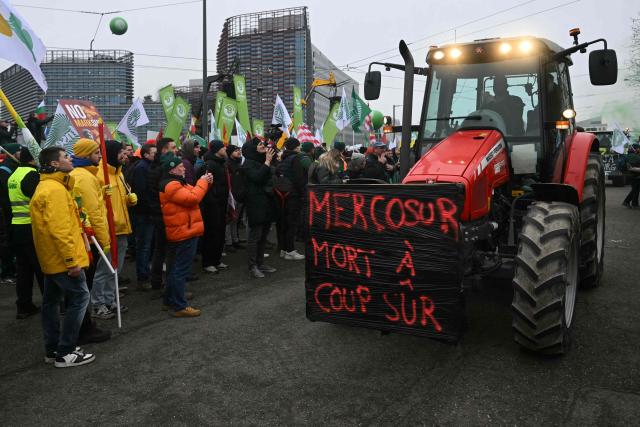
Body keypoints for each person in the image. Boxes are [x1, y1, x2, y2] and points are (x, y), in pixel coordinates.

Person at [31, 147, 95, 368]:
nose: (70, 158)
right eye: (65, 157)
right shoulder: (54, 190)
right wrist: (71, 261)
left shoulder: (51, 186)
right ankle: (66, 351)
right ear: (55, 164)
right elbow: (60, 230)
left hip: (52, 259)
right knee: (79, 299)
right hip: (63, 260)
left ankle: (53, 349)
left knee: (51, 303)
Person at [159, 153, 213, 317]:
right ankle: (179, 305)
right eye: (180, 166)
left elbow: (194, 190)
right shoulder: (172, 186)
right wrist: (203, 182)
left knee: (175, 268)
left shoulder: (175, 183)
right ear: (172, 170)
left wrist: (203, 181)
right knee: (180, 270)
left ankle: (171, 299)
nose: (184, 168)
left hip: (182, 230)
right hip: (183, 232)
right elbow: (193, 198)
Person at [69, 139, 112, 344]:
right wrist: (104, 240)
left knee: (82, 287)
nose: (100, 156)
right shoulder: (84, 177)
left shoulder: (84, 175)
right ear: (86, 155)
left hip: (89, 235)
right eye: (96, 153)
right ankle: (83, 329)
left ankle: (84, 326)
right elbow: (93, 212)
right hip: (91, 238)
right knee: (84, 287)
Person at [91, 141, 137, 319]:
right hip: (109, 229)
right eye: (120, 152)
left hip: (122, 228)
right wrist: (103, 195)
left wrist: (129, 199)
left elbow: (121, 200)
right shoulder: (100, 175)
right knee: (105, 269)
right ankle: (97, 304)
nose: (124, 155)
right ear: (110, 153)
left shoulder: (118, 173)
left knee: (115, 269)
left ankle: (109, 300)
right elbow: (95, 204)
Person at [9, 147, 43, 319]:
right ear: (33, 158)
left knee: (24, 271)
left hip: (17, 226)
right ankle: (53, 304)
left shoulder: (14, 175)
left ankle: (23, 306)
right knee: (42, 269)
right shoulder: (32, 175)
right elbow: (40, 201)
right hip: (32, 228)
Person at [241, 138, 278, 278]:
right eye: (259, 144)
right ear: (251, 149)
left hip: (267, 201)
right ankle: (252, 266)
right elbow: (257, 177)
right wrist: (267, 162)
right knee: (254, 236)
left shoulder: (262, 160)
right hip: (255, 202)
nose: (263, 146)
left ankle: (260, 262)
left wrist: (269, 159)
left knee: (263, 236)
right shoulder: (248, 164)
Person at [146, 138, 177, 291]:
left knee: (161, 249)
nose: (176, 150)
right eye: (173, 147)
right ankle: (168, 287)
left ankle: (158, 283)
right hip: (163, 215)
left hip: (160, 214)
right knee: (167, 251)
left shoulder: (156, 167)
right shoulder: (161, 169)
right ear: (164, 150)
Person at [129, 143, 157, 289]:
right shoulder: (141, 168)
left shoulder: (148, 166)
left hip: (148, 212)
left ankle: (146, 273)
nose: (156, 155)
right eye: (153, 153)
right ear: (146, 154)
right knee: (144, 246)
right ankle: (143, 277)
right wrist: (151, 208)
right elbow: (141, 192)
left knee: (147, 245)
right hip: (143, 214)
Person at [200, 140, 229, 274]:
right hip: (212, 205)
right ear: (217, 150)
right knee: (211, 233)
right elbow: (206, 185)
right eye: (223, 147)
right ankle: (208, 262)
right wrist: (214, 199)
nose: (225, 149)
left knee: (220, 233)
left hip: (221, 203)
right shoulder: (210, 164)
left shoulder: (221, 163)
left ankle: (216, 260)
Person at [274, 137, 305, 260]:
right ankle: (290, 250)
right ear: (296, 147)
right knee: (292, 224)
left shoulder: (283, 158)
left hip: (283, 194)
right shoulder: (296, 158)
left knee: (284, 223)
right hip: (293, 195)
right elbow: (299, 179)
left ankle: (283, 249)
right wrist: (303, 193)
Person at [0, 143, 20, 284]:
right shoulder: (4, 170)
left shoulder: (14, 167)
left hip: (11, 213)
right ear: (12, 153)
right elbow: (4, 196)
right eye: (19, 150)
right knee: (5, 242)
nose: (21, 152)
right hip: (5, 213)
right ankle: (7, 273)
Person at [225, 144, 246, 250]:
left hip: (240, 194)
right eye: (236, 150)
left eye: (239, 150)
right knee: (229, 219)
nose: (238, 152)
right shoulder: (227, 164)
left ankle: (235, 239)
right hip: (232, 196)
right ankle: (229, 242)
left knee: (236, 219)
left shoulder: (240, 163)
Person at [622, 144, 640, 208]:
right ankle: (627, 202)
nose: (639, 149)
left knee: (636, 189)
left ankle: (634, 204)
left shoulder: (627, 156)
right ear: (635, 149)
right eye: (638, 148)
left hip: (630, 175)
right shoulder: (636, 156)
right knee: (635, 190)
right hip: (635, 175)